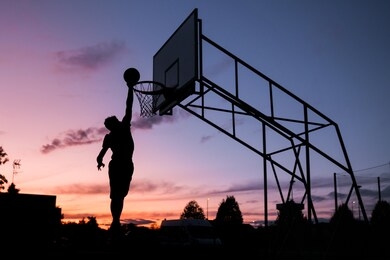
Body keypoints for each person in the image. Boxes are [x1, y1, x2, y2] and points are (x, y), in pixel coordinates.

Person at [96, 68, 140, 235]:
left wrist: (99, 162)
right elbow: (128, 106)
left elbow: (100, 155)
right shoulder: (121, 129)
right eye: (113, 119)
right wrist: (130, 87)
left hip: (123, 164)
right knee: (117, 195)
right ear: (112, 124)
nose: (116, 118)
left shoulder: (117, 131)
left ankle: (115, 220)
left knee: (120, 195)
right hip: (120, 165)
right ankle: (115, 222)